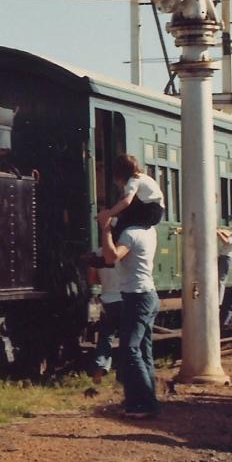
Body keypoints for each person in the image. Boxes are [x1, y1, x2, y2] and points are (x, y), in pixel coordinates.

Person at [100, 215, 159, 418]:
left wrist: (106, 229)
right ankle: (141, 400)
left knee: (130, 349)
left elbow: (112, 258)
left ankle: (146, 404)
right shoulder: (149, 230)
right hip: (148, 294)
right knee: (144, 350)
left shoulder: (130, 234)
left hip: (137, 297)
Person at [97, 154, 165, 237]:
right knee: (125, 213)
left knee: (124, 218)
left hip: (150, 211)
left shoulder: (133, 180)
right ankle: (116, 222)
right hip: (156, 211)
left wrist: (109, 214)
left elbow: (126, 202)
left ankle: (115, 226)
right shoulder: (143, 177)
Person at [87, 239, 124, 385]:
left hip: (107, 300)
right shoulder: (125, 251)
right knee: (127, 339)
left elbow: (92, 279)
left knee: (105, 338)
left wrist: (105, 281)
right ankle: (122, 375)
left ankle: (100, 367)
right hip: (125, 299)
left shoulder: (98, 253)